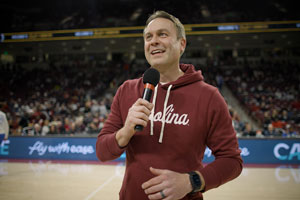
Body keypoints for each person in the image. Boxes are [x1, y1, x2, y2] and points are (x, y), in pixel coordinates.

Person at [96, 11, 242, 200]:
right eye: (149, 37)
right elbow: (101, 151)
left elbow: (232, 161)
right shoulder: (127, 90)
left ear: (182, 44)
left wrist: (192, 181)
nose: (154, 41)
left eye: (162, 34)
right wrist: (125, 131)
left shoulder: (209, 96)